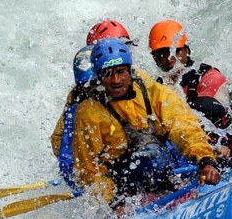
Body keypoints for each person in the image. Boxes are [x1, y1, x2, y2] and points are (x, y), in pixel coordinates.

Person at [69, 37, 220, 209]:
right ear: (99, 77)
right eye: (108, 74)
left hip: (161, 172)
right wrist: (113, 202)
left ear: (129, 70)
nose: (116, 80)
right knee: (147, 155)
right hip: (121, 187)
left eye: (121, 71)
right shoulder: (88, 113)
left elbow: (185, 127)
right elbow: (88, 169)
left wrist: (206, 161)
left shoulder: (153, 91)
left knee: (152, 153)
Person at [148, 20, 232, 171]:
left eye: (175, 51)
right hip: (194, 151)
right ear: (155, 59)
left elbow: (209, 108)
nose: (169, 59)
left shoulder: (210, 77)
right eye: (162, 54)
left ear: (187, 50)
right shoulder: (158, 86)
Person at [51, 46, 97, 191]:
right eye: (87, 86)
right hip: (88, 175)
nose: (93, 89)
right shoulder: (75, 111)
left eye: (95, 83)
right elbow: (66, 160)